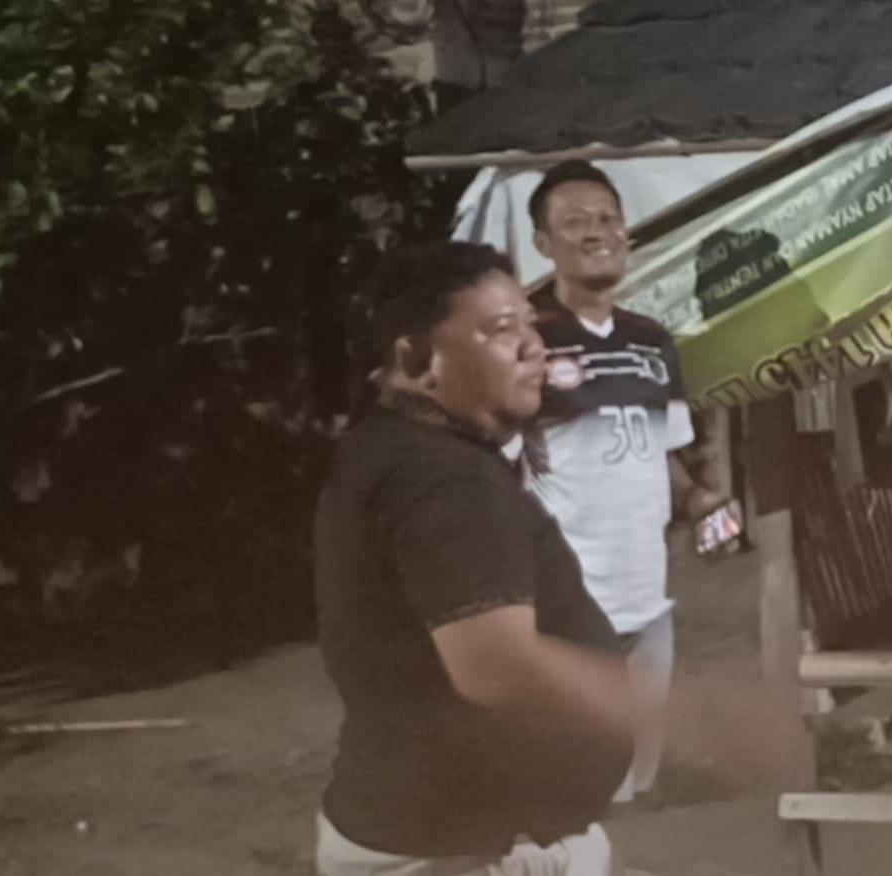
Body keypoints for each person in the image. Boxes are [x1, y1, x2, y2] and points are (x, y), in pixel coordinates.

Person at [313, 242, 637, 876]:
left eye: (530, 324)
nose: (532, 347)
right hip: (465, 855)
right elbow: (495, 668)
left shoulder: (394, 451)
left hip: (444, 839)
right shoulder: (442, 477)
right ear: (416, 359)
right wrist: (679, 713)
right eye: (500, 329)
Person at [524, 160, 733, 806]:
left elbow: (662, 455)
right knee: (564, 788)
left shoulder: (652, 341)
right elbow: (492, 468)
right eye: (575, 222)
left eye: (608, 218)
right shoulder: (525, 343)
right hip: (564, 606)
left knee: (628, 790)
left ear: (627, 234)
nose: (596, 232)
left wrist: (701, 502)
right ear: (543, 243)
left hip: (647, 601)